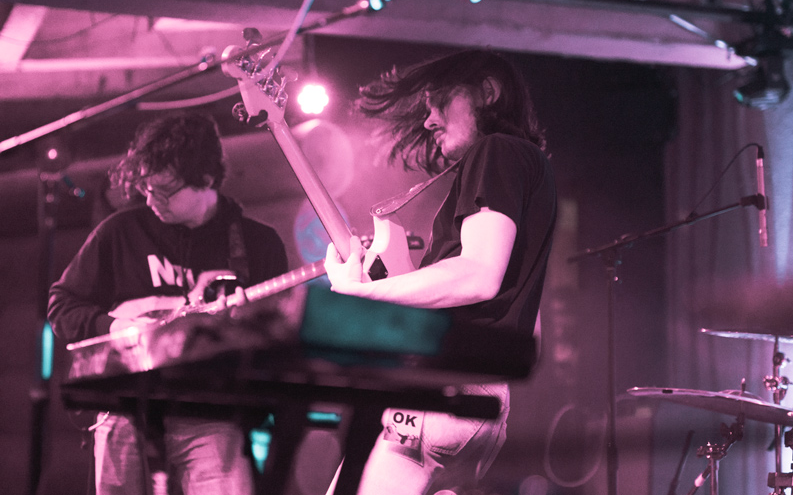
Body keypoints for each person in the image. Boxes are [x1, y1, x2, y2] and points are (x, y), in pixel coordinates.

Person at [323, 49, 557, 495]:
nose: (429, 121)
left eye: (439, 102)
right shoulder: (531, 171)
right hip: (483, 404)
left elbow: (477, 274)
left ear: (487, 93)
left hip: (443, 394)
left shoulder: (498, 150)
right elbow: (526, 327)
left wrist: (360, 296)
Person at [48, 112, 289, 494]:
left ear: (207, 180)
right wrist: (115, 327)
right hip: (127, 411)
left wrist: (248, 325)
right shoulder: (120, 231)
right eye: (146, 188)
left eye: (165, 190)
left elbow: (280, 344)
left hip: (214, 416)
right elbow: (62, 304)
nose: (151, 199)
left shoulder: (258, 244)